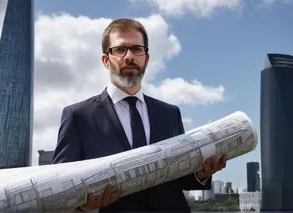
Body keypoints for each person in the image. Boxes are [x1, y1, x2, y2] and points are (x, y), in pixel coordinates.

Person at [53, 18, 227, 212]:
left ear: (146, 58)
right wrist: (84, 208)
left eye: (137, 49)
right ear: (105, 60)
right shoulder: (78, 116)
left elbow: (181, 179)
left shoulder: (170, 113)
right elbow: (60, 190)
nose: (129, 56)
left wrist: (202, 173)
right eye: (120, 49)